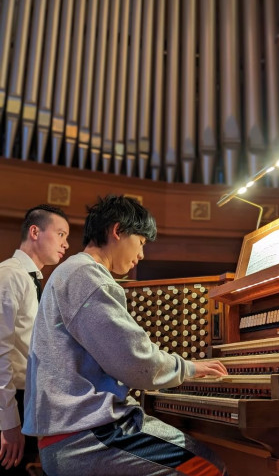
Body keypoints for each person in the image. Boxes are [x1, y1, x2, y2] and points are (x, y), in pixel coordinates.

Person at [23, 195, 229, 476]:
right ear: (118, 231)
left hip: (68, 434)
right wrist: (190, 367)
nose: (142, 255)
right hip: (90, 436)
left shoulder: (69, 272)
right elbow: (137, 364)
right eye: (142, 242)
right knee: (207, 467)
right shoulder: (88, 276)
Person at [0, 204, 70, 474]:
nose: (66, 244)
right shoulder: (9, 275)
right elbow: (1, 352)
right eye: (61, 234)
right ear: (34, 231)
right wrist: (8, 422)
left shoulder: (33, 278)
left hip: (26, 399)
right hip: (11, 400)